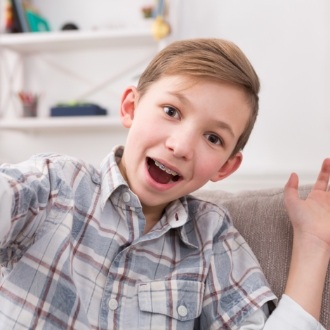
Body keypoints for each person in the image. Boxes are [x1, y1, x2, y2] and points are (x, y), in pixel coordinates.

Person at [0, 38, 329, 329]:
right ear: (131, 106)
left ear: (226, 166)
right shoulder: (55, 184)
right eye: (171, 111)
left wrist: (313, 245)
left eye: (213, 138)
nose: (182, 146)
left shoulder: (211, 237)